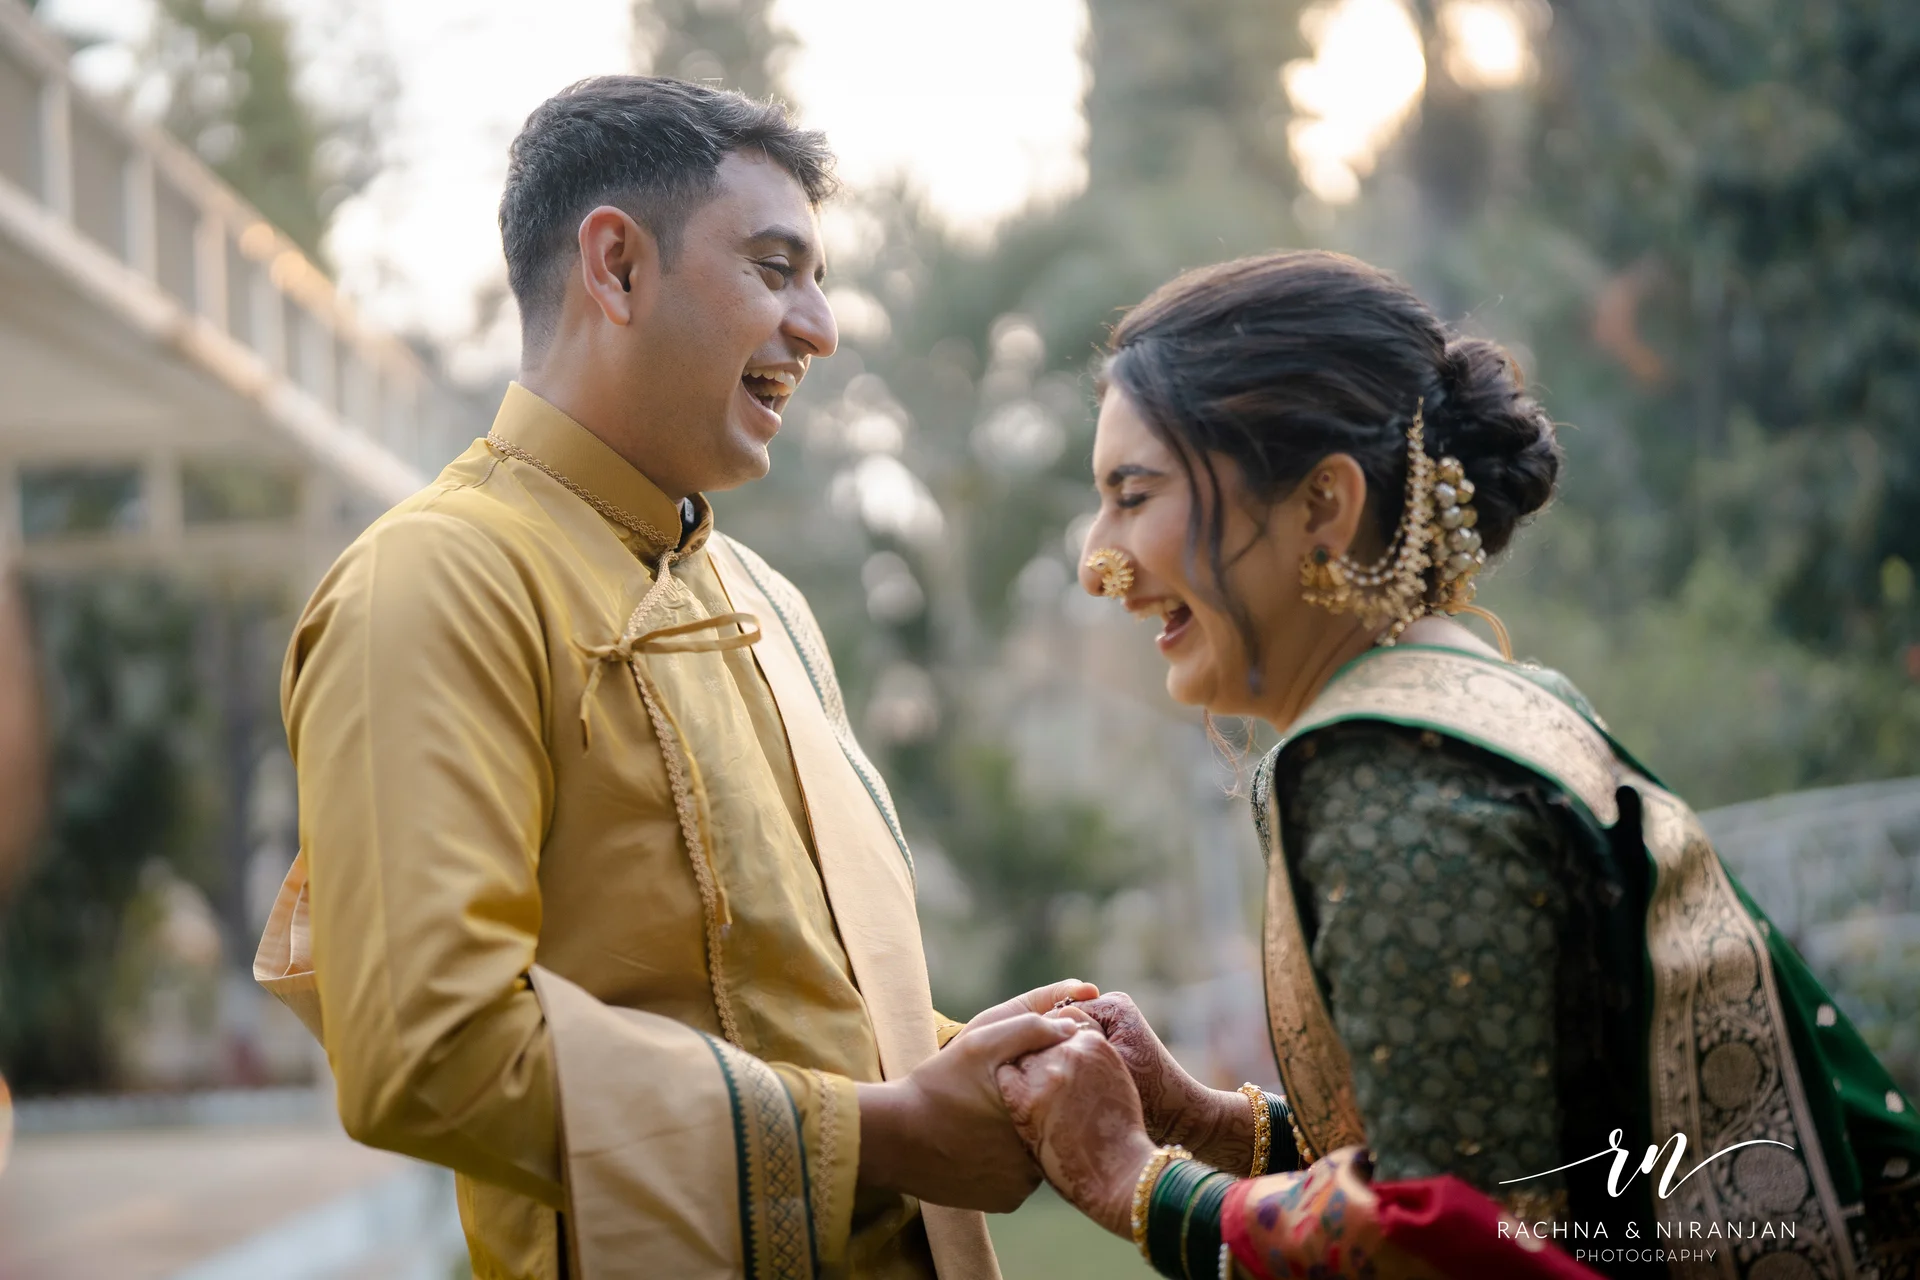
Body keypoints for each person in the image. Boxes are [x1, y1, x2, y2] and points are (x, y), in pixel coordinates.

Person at [253, 77, 1087, 1280]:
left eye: (818, 278)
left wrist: (988, 1064)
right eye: (775, 268)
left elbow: (778, 993)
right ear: (617, 267)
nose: (821, 325)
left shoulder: (764, 601)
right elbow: (429, 1050)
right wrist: (885, 1133)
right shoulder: (436, 578)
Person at [992, 251, 1920, 1280]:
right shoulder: (1478, 707)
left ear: (1322, 505)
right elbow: (1508, 1158)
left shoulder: (1391, 781)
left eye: (1134, 495)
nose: (1097, 563)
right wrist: (1193, 1115)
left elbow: (1449, 1243)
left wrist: (1132, 1177)